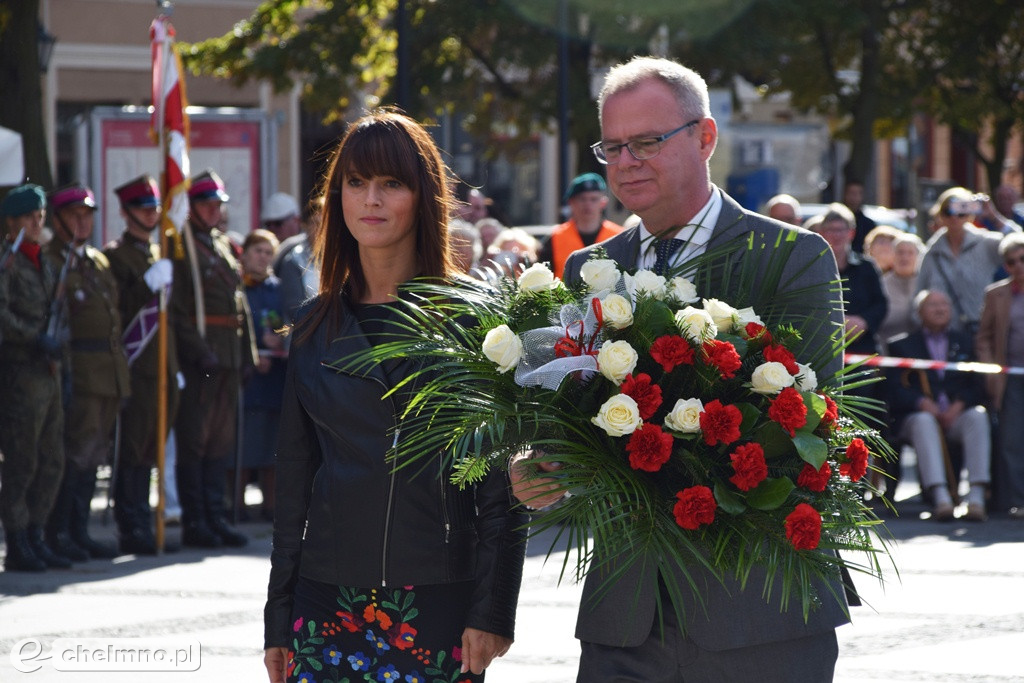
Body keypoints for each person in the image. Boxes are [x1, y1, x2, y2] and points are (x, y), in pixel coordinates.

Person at [511, 56, 847, 682]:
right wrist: (543, 461)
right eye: (612, 146)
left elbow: (808, 424)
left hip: (759, 612)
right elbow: (566, 410)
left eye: (646, 142)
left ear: (706, 137)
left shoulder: (791, 256)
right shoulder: (587, 267)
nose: (625, 161)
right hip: (628, 617)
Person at [263, 109, 526, 683]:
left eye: (391, 183)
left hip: (439, 601)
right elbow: (293, 485)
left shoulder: (473, 323)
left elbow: (501, 490)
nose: (370, 200)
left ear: (422, 196)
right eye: (355, 183)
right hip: (324, 599)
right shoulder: (312, 327)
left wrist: (493, 609)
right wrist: (277, 618)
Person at [172, 169, 257, 549]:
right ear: (191, 207)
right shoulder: (181, 247)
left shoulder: (221, 245)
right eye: (206, 204)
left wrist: (248, 354)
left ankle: (216, 516)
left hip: (227, 355)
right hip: (202, 357)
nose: (212, 211)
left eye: (216, 205)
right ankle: (196, 521)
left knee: (220, 440)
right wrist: (198, 350)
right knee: (196, 439)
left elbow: (241, 306)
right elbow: (176, 311)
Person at [43, 183, 128, 562]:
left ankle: (79, 530)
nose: (83, 221)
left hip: (107, 371)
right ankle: (58, 531)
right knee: (75, 452)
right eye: (75, 214)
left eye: (88, 214)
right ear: (58, 219)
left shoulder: (96, 259)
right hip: (79, 369)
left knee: (94, 454)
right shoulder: (52, 260)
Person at [105, 174, 181, 555]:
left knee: (152, 450)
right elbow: (118, 313)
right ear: (125, 212)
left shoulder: (158, 253)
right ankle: (130, 523)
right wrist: (144, 286)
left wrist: (175, 366)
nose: (151, 216)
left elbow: (169, 321)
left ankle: (144, 517)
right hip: (136, 368)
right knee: (133, 448)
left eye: (154, 209)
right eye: (143, 209)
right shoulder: (116, 256)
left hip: (161, 368)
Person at [0, 184, 68, 572]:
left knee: (52, 458)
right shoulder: (7, 262)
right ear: (13, 222)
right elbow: (2, 314)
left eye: (40, 216)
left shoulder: (46, 262)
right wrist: (32, 337)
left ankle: (38, 533)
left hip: (49, 371)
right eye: (30, 217)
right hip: (21, 371)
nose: (37, 222)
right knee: (22, 460)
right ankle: (18, 538)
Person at [886, 290, 990, 521]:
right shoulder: (902, 346)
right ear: (919, 313)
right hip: (917, 419)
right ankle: (941, 497)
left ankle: (976, 497)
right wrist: (921, 402)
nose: (940, 309)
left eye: (944, 304)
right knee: (924, 422)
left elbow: (977, 385)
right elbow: (893, 389)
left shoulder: (964, 342)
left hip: (955, 415)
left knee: (978, 416)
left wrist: (959, 405)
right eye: (933, 305)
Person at [916, 186, 1021, 336]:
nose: (954, 217)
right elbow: (918, 294)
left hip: (982, 331)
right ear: (939, 214)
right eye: (948, 211)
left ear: (970, 213)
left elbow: (1018, 244)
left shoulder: (984, 243)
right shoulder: (933, 252)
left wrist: (993, 216)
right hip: (943, 337)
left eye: (961, 211)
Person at [237, 229, 286, 521]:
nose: (263, 257)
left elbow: (287, 322)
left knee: (272, 445)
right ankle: (237, 505)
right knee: (243, 445)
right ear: (244, 253)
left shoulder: (277, 288)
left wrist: (279, 338)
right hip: (247, 376)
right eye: (258, 251)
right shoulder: (238, 285)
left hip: (274, 377)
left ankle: (270, 506)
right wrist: (254, 346)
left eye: (269, 252)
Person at [975, 232, 1024, 519]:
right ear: (1005, 265)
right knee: (1012, 440)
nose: (1019, 265)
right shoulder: (996, 294)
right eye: (1012, 261)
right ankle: (1017, 500)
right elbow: (984, 337)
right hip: (1011, 378)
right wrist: (991, 370)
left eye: (1023, 259)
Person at [810, 204, 888, 357]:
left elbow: (881, 303)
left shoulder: (867, 267)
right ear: (821, 233)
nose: (836, 235)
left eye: (841, 230)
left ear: (851, 233)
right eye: (831, 230)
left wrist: (864, 321)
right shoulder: (811, 268)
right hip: (822, 350)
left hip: (862, 350)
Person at [538, 172, 624, 278]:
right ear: (571, 202)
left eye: (593, 199)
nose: (588, 204)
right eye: (582, 199)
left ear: (603, 203)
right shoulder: (555, 238)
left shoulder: (619, 236)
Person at [273, 195, 322, 329]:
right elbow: (295, 309)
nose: (321, 230)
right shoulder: (293, 260)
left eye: (327, 224)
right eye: (316, 223)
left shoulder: (341, 259)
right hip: (305, 336)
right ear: (305, 226)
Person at [879, 232, 925, 346]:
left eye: (910, 253)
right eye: (900, 252)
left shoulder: (926, 283)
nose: (905, 257)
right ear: (892, 255)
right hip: (888, 349)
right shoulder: (881, 284)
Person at [842, 179, 876, 254]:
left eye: (858, 193)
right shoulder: (835, 223)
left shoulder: (868, 224)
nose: (854, 197)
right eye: (852, 193)